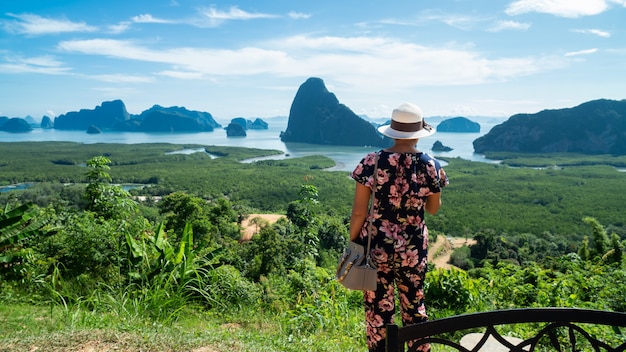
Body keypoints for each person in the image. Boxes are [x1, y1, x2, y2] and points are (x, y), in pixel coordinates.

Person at [349, 102, 449, 352]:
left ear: (392, 131)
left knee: (377, 312)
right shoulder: (431, 166)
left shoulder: (371, 161)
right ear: (418, 133)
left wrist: (353, 244)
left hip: (376, 248)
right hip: (413, 250)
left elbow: (359, 211)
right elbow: (433, 209)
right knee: (414, 308)